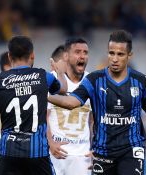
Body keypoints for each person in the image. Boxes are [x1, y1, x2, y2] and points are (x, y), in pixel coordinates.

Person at [48, 30, 146, 175]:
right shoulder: (94, 80)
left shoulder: (141, 81)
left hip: (132, 149)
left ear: (129, 55)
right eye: (111, 53)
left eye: (120, 54)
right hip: (103, 152)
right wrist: (44, 96)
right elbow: (71, 102)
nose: (114, 59)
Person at [0, 36, 67, 175]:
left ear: (9, 55)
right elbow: (63, 89)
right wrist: (60, 71)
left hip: (8, 155)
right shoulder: (43, 76)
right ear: (32, 55)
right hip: (37, 155)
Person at [47, 38, 93, 175]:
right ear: (66, 56)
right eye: (77, 52)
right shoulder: (52, 78)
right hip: (55, 152)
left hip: (82, 154)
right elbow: (42, 116)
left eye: (85, 52)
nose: (82, 56)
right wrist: (50, 143)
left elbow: (93, 120)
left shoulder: (92, 81)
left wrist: (95, 147)